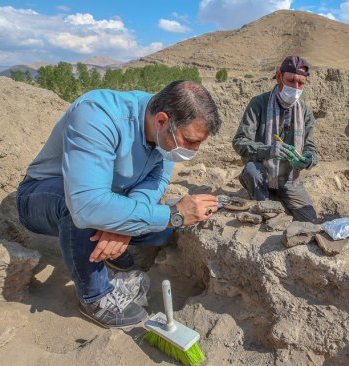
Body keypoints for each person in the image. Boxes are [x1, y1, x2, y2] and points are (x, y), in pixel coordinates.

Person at [17, 80, 222, 328]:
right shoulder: (97, 114)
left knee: (161, 231)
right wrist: (173, 214)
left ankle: (112, 245)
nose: (194, 150)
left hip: (109, 197)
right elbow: (86, 204)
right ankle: (96, 296)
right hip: (45, 195)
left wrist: (122, 226)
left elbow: (154, 181)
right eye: (190, 141)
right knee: (83, 211)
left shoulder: (164, 133)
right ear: (161, 121)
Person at [232, 55, 318, 222]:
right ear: (279, 76)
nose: (296, 87)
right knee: (253, 174)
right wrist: (269, 150)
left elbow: (310, 147)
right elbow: (240, 141)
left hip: (289, 178)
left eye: (301, 83)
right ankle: (263, 199)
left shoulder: (305, 112)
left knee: (310, 219)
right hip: (261, 172)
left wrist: (309, 159)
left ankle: (277, 194)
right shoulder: (259, 103)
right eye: (291, 81)